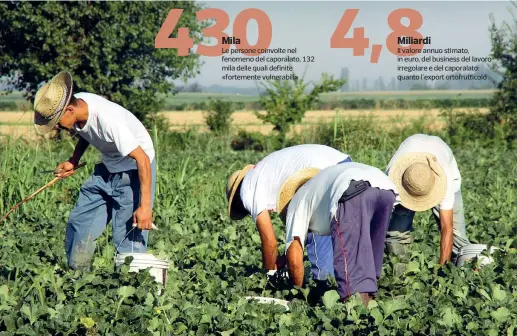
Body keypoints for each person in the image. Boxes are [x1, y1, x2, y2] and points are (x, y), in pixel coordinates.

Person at [33, 71, 156, 270]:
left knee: (128, 234)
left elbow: (142, 159)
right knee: (80, 221)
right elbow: (86, 131)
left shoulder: (110, 122)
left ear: (70, 110)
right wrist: (73, 160)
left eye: (57, 122)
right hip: (108, 167)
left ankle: (133, 290)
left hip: (135, 170)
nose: (58, 127)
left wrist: (145, 207)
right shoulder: (81, 109)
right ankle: (78, 278)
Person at [225, 144, 352, 280]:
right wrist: (285, 258)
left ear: (238, 200)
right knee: (338, 231)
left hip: (322, 170)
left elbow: (270, 241)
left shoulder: (247, 189)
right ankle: (349, 288)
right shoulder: (265, 173)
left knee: (314, 226)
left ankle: (324, 285)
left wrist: (268, 274)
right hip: (346, 164)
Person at [280, 162, 399, 306]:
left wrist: (297, 292)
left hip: (351, 192)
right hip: (386, 189)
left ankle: (356, 313)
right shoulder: (317, 189)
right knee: (371, 256)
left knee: (350, 266)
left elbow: (294, 257)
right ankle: (371, 305)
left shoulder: (295, 204)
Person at [385, 133, 470, 265]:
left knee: (460, 243)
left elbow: (447, 228)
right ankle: (399, 275)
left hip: (444, 173)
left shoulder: (445, 182)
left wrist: (442, 271)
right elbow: (379, 220)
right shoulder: (392, 177)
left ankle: (464, 271)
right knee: (395, 235)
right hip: (406, 179)